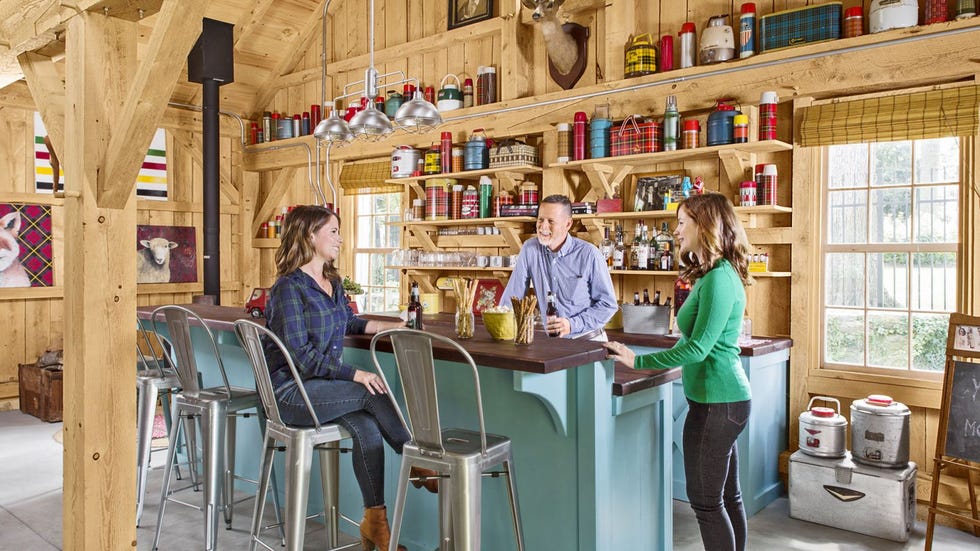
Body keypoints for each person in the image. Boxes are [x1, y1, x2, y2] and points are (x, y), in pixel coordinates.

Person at [263, 205, 434, 551]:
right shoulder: (288, 289)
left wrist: (392, 326)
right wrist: (355, 373)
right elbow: (302, 357)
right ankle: (417, 461)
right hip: (290, 393)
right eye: (333, 232)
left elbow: (350, 323)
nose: (341, 239)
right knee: (370, 390)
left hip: (321, 391)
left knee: (367, 428)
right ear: (310, 236)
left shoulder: (332, 282)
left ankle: (376, 527)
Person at [604, 192, 753, 551]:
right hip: (721, 400)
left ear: (705, 226)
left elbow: (698, 348)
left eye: (683, 222)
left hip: (719, 402)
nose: (676, 230)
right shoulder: (713, 274)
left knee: (706, 502)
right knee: (726, 497)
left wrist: (636, 361)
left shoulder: (719, 278)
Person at [499, 194, 617, 340]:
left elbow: (608, 305)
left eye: (551, 221)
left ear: (568, 224)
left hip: (589, 341)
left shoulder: (589, 254)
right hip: (552, 344)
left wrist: (572, 324)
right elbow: (513, 296)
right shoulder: (530, 249)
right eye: (540, 220)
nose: (543, 227)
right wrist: (500, 327)